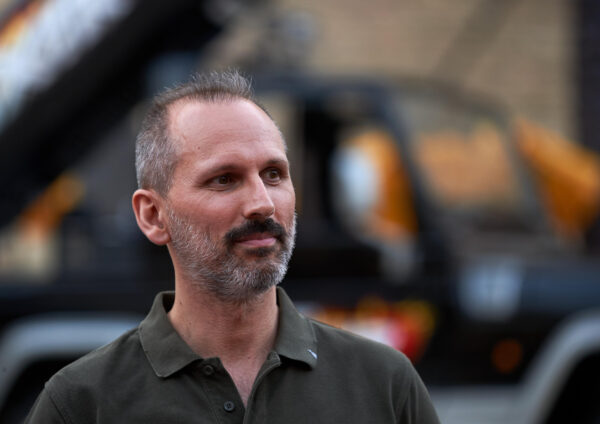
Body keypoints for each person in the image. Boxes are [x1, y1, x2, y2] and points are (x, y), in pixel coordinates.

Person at [25, 70, 440, 423]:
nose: (262, 203)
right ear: (152, 215)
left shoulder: (384, 384)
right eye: (224, 179)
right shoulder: (81, 403)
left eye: (274, 174)